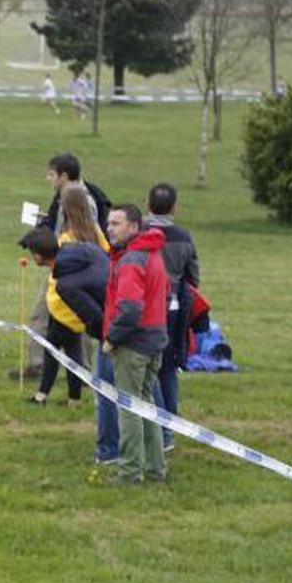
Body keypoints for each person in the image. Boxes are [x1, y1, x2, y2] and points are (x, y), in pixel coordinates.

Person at [101, 204, 169, 484]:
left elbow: (129, 309)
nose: (110, 228)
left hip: (133, 344)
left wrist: (111, 338)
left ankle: (129, 472)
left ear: (134, 226)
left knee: (129, 408)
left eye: (116, 223)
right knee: (147, 405)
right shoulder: (153, 253)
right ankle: (155, 469)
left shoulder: (131, 260)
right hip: (155, 340)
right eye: (108, 223)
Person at [21, 200, 108, 407]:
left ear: (38, 255)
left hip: (66, 315)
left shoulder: (66, 279)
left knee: (67, 355)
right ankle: (52, 396)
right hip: (61, 313)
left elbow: (85, 305)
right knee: (55, 352)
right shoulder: (70, 250)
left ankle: (68, 398)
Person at [145, 182, 200, 452]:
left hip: (145, 309)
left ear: (147, 205)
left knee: (148, 369)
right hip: (174, 310)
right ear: (175, 207)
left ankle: (158, 428)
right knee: (168, 368)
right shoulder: (185, 237)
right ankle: (171, 427)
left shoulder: (138, 232)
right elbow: (194, 278)